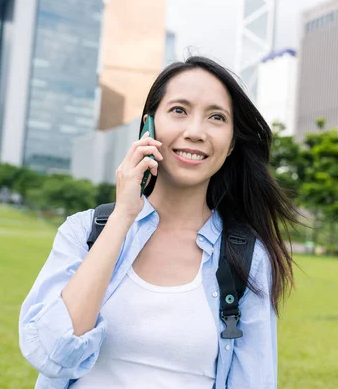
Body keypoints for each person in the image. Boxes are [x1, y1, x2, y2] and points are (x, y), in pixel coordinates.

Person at [19, 56, 298, 389]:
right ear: (149, 125)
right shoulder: (84, 232)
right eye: (179, 110)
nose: (195, 132)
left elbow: (253, 381)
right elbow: (54, 353)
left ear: (232, 142)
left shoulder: (247, 257)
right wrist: (123, 214)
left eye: (216, 117)